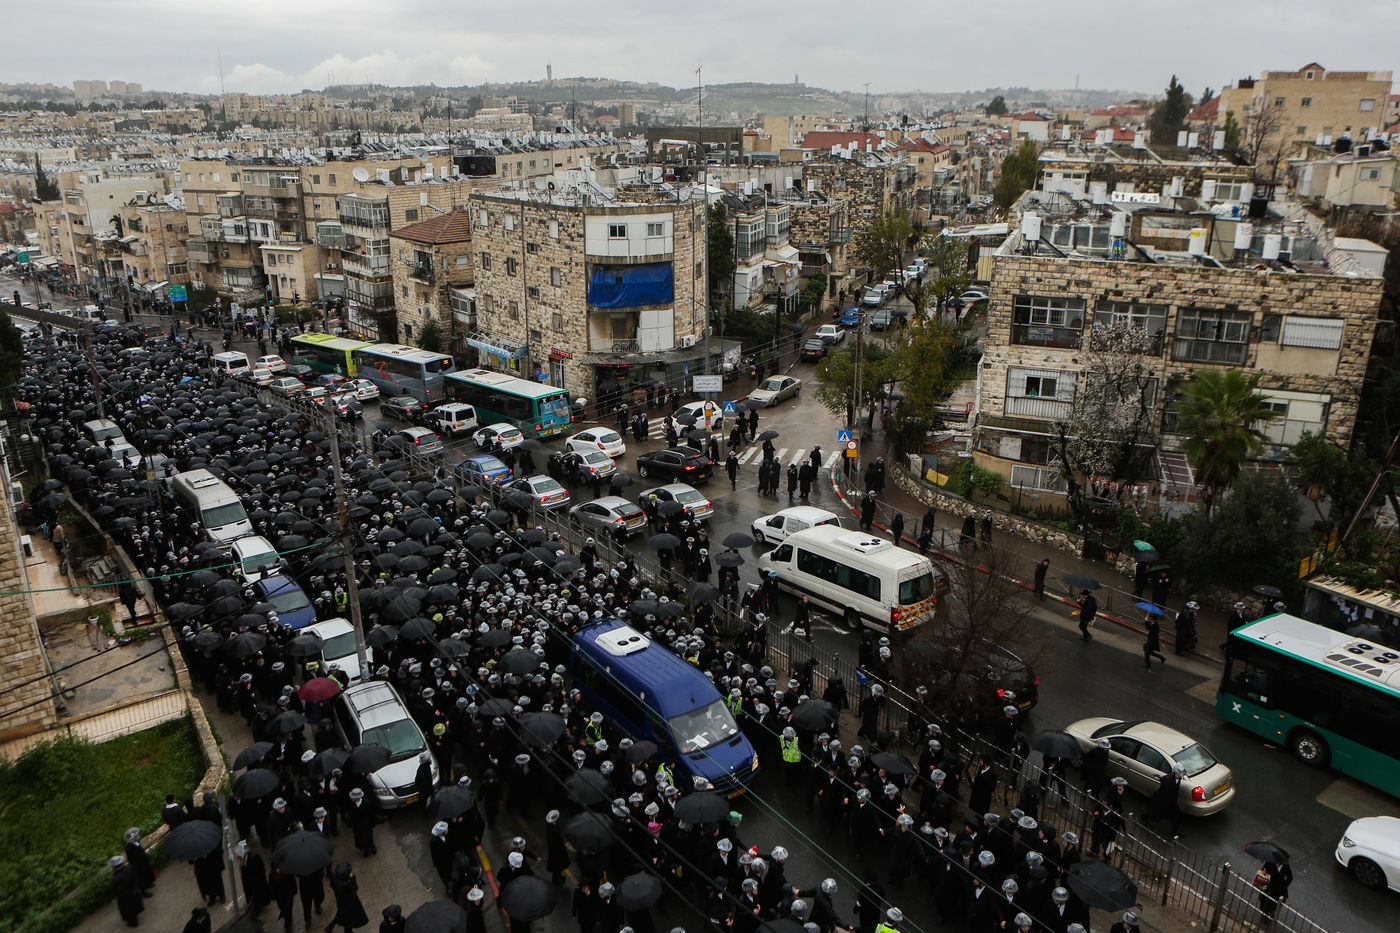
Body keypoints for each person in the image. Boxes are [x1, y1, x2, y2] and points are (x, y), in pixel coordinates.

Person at [327, 862, 369, 933]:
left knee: (340, 913)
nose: (351, 872)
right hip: (349, 903)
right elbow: (355, 888)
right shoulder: (345, 885)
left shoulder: (334, 877)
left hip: (340, 901)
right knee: (348, 921)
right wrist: (353, 878)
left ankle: (329, 927)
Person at [111, 855, 144, 927]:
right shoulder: (130, 868)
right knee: (136, 904)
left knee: (129, 910)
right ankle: (136, 915)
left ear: (114, 867)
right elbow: (136, 879)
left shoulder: (116, 879)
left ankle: (134, 923)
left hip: (126, 898)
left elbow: (119, 892)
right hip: (135, 891)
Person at [1258, 859, 1293, 923]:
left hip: (1278, 889)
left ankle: (1270, 913)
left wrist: (1284, 885)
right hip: (1268, 886)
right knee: (1262, 899)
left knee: (1273, 903)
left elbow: (1290, 878)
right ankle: (1265, 914)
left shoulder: (1286, 867)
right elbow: (1263, 870)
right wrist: (1264, 872)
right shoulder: (1270, 862)